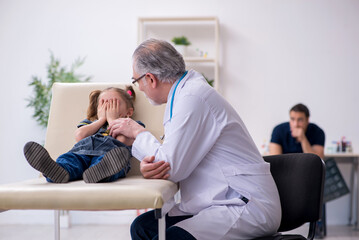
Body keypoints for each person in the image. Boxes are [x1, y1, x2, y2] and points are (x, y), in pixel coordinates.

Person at [107, 39, 281, 239]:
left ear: (150, 78)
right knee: (142, 227)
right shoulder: (184, 95)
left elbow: (171, 167)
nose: (140, 89)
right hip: (214, 199)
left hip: (243, 203)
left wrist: (138, 133)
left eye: (137, 81)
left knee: (172, 237)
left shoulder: (193, 98)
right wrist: (151, 164)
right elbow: (169, 160)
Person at [23, 86, 144, 183]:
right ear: (98, 109)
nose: (108, 108)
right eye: (104, 104)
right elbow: (79, 136)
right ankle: (57, 171)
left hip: (108, 156)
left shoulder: (130, 124)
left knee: (106, 164)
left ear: (129, 112)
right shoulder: (90, 123)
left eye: (113, 104)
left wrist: (112, 120)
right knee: (69, 160)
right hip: (80, 153)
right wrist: (101, 120)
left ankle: (98, 174)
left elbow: (122, 141)